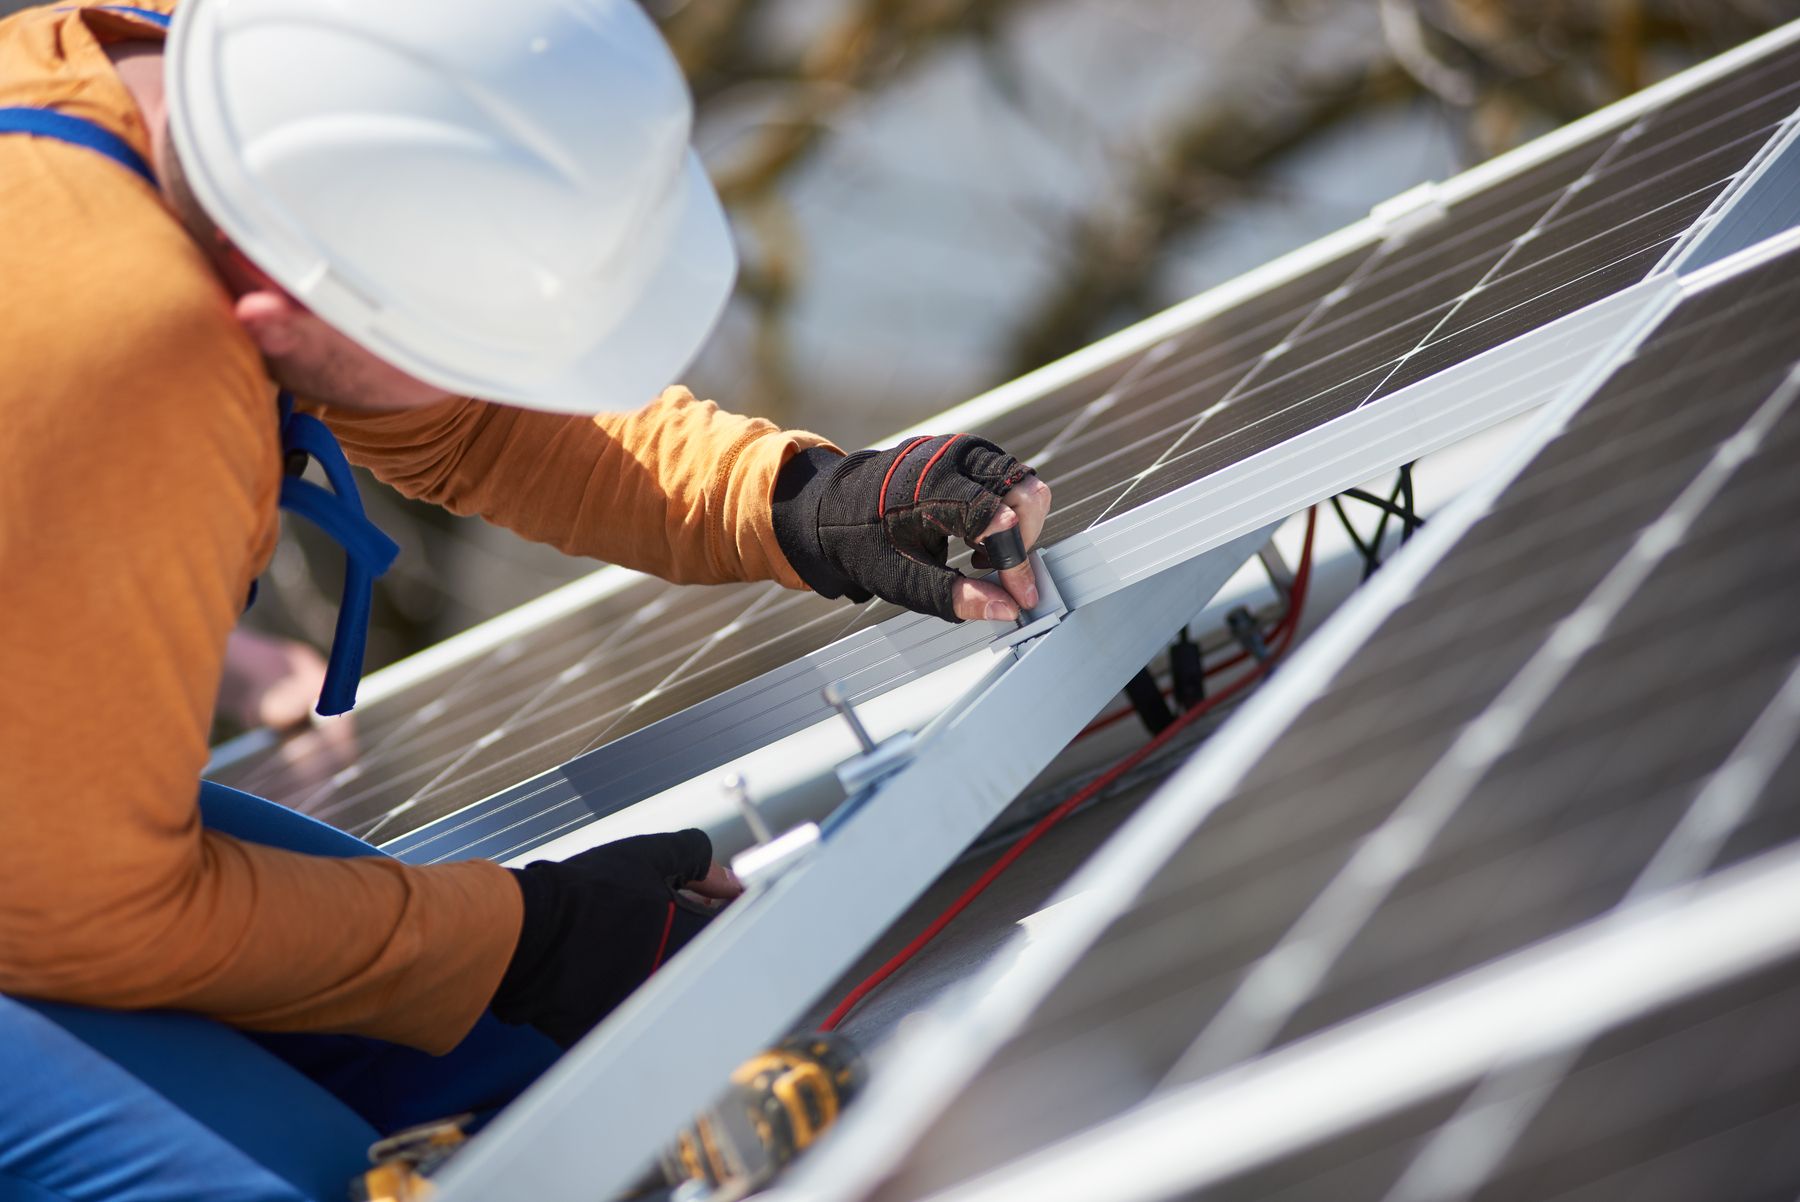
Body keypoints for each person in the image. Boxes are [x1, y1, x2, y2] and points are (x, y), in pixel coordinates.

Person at [0, 0, 1052, 1198]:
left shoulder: (220, 117)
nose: (473, 379)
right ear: (273, 316)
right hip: (48, 880)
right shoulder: (110, 334)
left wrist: (800, 499)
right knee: (301, 1174)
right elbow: (81, 913)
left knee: (505, 1062)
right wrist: (530, 932)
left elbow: (467, 421)